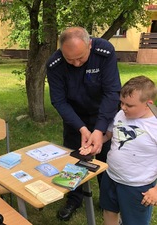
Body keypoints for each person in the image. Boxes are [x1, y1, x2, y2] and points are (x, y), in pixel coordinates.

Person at [46, 26, 121, 221]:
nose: (76, 64)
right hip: (74, 119)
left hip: (102, 115)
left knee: (106, 161)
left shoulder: (104, 52)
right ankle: (74, 198)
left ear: (89, 44)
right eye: (70, 59)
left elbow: (112, 92)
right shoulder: (54, 63)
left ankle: (108, 201)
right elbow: (59, 101)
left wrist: (99, 128)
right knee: (75, 160)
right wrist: (81, 128)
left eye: (80, 58)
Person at [98, 75, 157, 225]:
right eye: (121, 103)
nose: (123, 108)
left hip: (137, 186)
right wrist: (97, 142)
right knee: (109, 211)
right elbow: (110, 135)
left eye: (129, 105)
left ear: (148, 104)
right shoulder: (120, 114)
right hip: (111, 176)